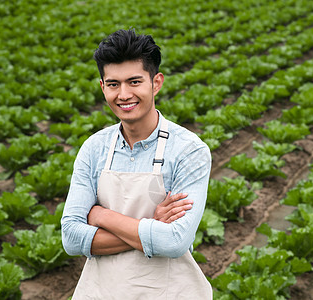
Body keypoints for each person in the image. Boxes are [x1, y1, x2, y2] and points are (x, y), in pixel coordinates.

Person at [61, 28, 213, 299]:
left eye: (134, 82)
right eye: (113, 84)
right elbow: (71, 239)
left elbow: (176, 241)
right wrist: (150, 224)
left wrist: (101, 216)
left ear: (156, 82)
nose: (123, 94)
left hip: (169, 292)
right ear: (102, 86)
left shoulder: (189, 150)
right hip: (101, 292)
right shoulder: (94, 148)